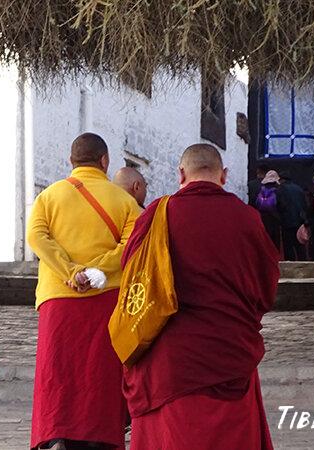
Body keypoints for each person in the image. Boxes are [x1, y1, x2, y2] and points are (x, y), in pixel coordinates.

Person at [121, 143, 278, 449]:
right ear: (224, 176)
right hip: (229, 354)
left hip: (170, 362)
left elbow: (131, 281)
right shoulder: (247, 218)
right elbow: (266, 289)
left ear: (181, 174)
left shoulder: (156, 217)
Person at [27, 133, 140, 450]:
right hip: (105, 299)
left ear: (71, 161)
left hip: (58, 299)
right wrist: (96, 271)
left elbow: (36, 237)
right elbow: (132, 244)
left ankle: (55, 436)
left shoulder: (49, 197)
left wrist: (70, 271)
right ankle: (101, 437)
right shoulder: (124, 201)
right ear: (104, 161)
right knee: (99, 373)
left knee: (58, 371)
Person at [277, 171, 308, 261]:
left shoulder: (281, 189)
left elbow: (280, 205)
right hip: (299, 221)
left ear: (282, 179)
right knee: (299, 245)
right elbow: (304, 205)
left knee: (288, 246)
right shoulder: (299, 189)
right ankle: (303, 262)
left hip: (286, 221)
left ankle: (291, 263)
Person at [254, 170, 283, 251]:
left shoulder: (260, 191)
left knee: (265, 240)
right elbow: (281, 205)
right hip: (274, 218)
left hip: (263, 218)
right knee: (274, 242)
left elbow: (256, 203)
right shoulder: (277, 192)